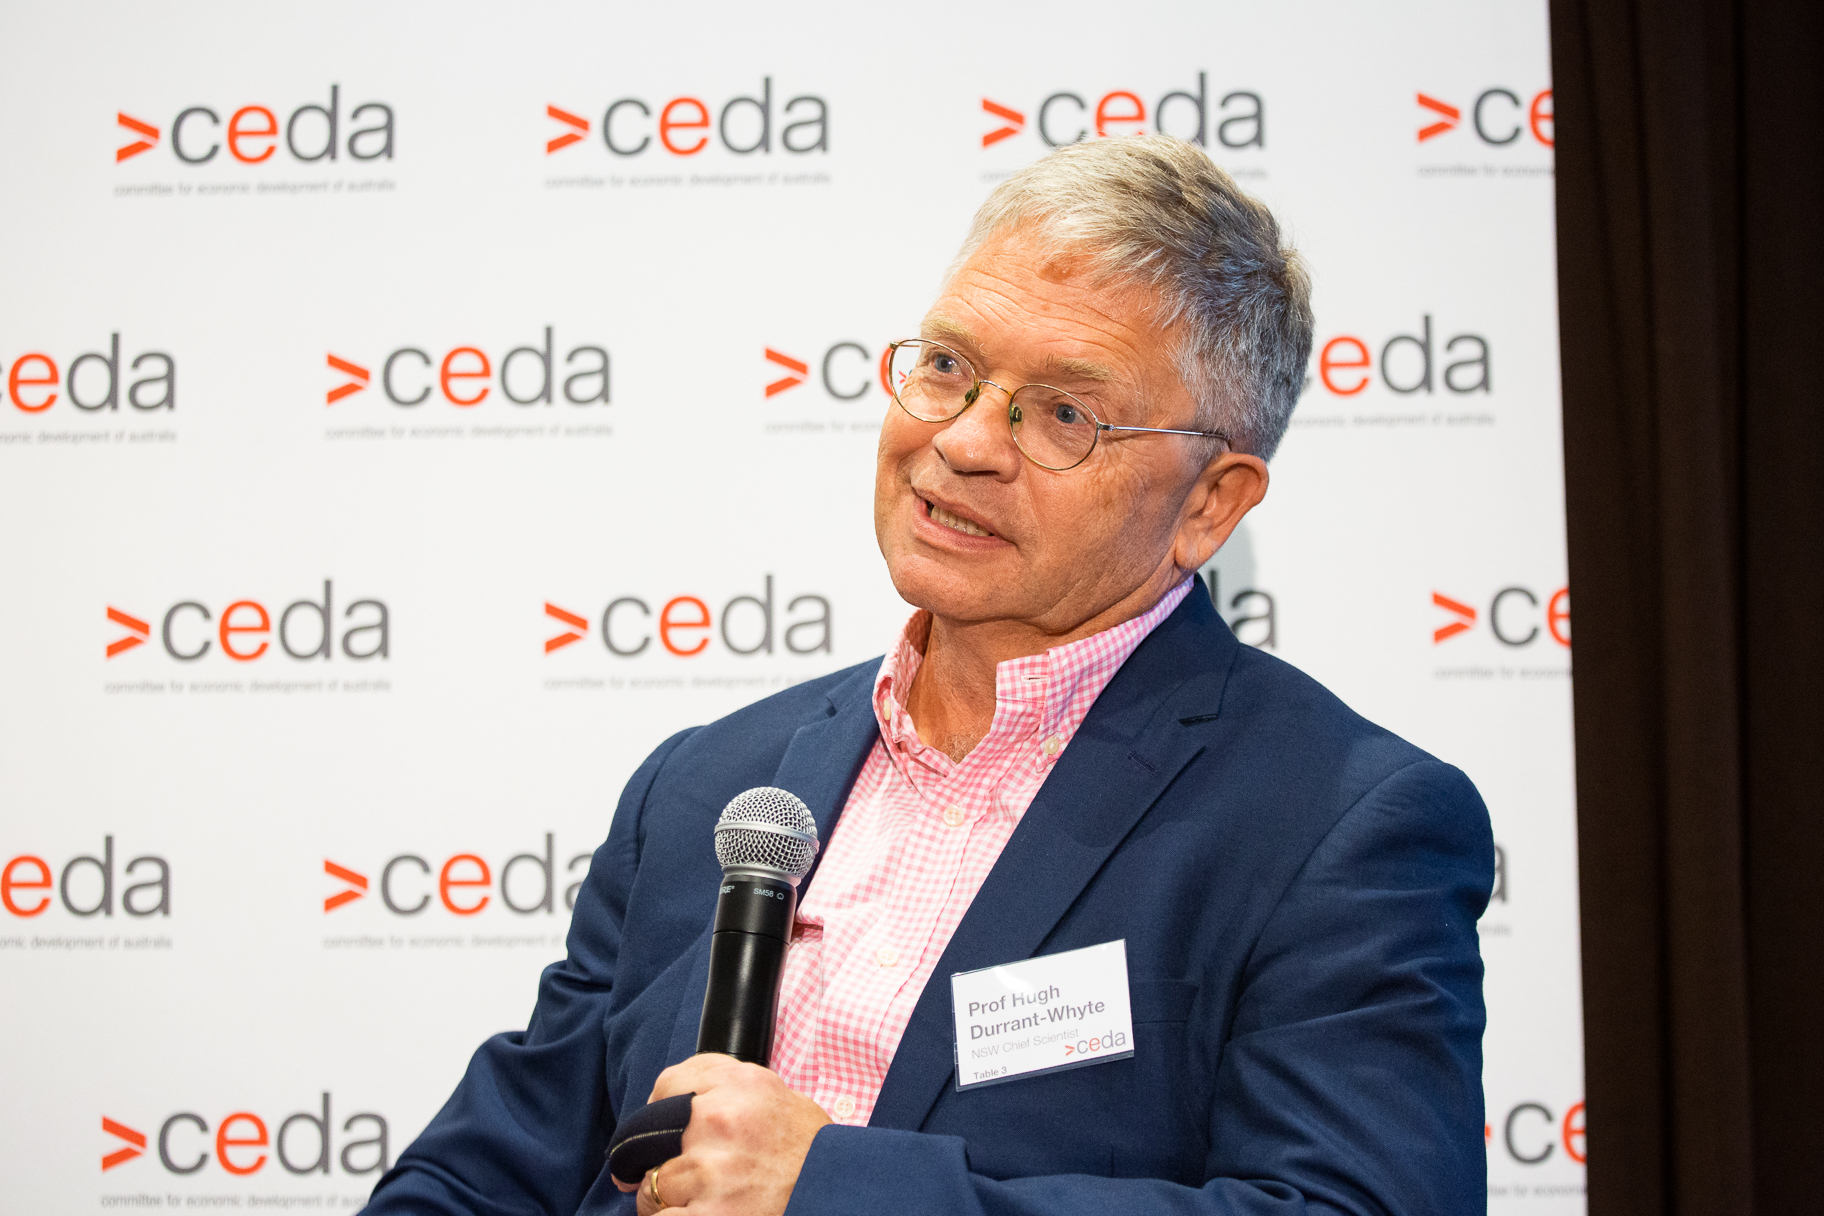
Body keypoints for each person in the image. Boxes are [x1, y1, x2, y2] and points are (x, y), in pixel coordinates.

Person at [364, 134, 1493, 1216]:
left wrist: (825, 1190)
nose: (963, 441)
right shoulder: (709, 785)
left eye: (1065, 414)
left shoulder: (1339, 828)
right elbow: (486, 1174)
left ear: (1210, 502)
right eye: (949, 367)